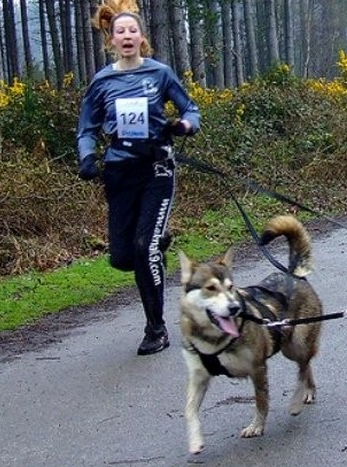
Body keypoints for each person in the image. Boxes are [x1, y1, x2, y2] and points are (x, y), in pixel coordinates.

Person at [76, 0, 201, 355]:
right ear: (111, 40)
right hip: (119, 171)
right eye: (121, 32)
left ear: (142, 38)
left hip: (156, 169)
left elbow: (190, 107)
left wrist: (185, 125)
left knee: (143, 249)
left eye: (133, 31)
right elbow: (86, 127)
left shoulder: (159, 73)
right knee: (122, 257)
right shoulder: (103, 81)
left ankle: (156, 329)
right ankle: (156, 246)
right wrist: (87, 158)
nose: (127, 36)